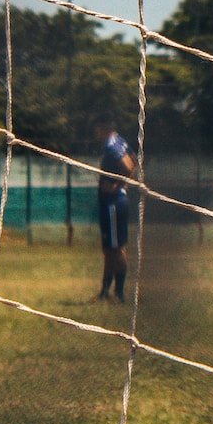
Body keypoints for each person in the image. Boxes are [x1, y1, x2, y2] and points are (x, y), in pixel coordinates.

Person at [95, 114, 136, 302]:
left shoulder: (112, 146)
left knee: (117, 249)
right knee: (110, 248)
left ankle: (119, 294)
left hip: (113, 203)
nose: (95, 132)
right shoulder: (119, 140)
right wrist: (124, 185)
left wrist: (117, 186)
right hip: (114, 202)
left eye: (97, 127)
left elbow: (128, 167)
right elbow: (135, 161)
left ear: (104, 127)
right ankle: (105, 291)